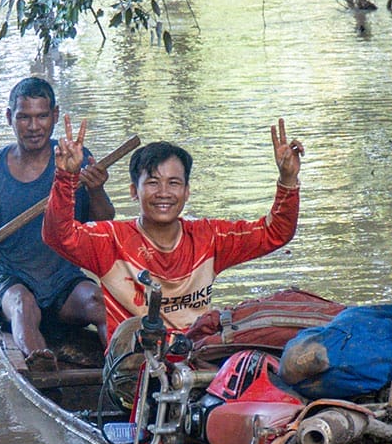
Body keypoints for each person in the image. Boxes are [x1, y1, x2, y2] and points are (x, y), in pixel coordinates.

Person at [42, 116, 302, 341]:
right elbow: (58, 236)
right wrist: (66, 177)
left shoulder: (210, 238)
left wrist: (288, 180)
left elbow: (274, 232)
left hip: (195, 358)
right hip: (133, 371)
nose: (164, 193)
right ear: (134, 191)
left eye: (174, 183)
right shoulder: (110, 240)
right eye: (153, 183)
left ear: (187, 192)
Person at [0, 77, 115, 369]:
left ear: (54, 116)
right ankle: (43, 369)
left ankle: (124, 374)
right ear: (9, 118)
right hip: (8, 278)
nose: (33, 126)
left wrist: (95, 189)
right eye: (23, 117)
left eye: (42, 116)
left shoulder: (76, 158)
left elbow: (103, 221)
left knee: (100, 303)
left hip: (61, 278)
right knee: (23, 306)